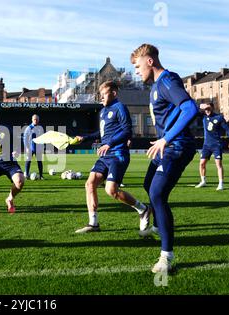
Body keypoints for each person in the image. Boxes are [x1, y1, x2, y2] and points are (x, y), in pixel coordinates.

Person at [131, 44, 198, 273]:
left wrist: (166, 138)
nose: (137, 72)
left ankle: (166, 257)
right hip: (165, 147)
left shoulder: (167, 81)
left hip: (177, 146)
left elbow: (190, 108)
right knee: (148, 184)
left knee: (157, 193)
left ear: (150, 61)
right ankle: (159, 226)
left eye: (138, 66)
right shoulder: (156, 86)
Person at [73, 81, 151, 234]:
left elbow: (127, 130)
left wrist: (110, 143)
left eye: (104, 93)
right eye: (99, 94)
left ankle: (143, 209)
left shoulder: (120, 108)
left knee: (111, 190)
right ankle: (93, 223)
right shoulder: (103, 111)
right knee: (90, 184)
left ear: (114, 93)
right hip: (105, 155)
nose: (100, 97)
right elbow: (101, 134)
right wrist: (85, 137)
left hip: (118, 154)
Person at [195, 102, 229, 190]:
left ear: (212, 108)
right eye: (206, 109)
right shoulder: (203, 116)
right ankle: (203, 181)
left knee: (218, 164)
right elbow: (194, 110)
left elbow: (227, 129)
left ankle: (221, 183)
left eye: (209, 109)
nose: (207, 111)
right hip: (206, 145)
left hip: (216, 144)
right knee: (202, 163)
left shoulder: (219, 117)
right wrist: (201, 106)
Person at [23, 114, 45, 179]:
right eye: (34, 119)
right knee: (28, 161)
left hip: (38, 148)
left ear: (38, 120)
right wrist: (27, 148)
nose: (36, 120)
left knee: (39, 161)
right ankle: (26, 175)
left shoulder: (40, 128)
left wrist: (42, 146)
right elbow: (25, 139)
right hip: (30, 148)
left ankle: (41, 175)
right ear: (32, 120)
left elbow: (42, 138)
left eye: (37, 119)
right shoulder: (28, 128)